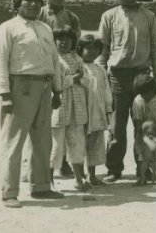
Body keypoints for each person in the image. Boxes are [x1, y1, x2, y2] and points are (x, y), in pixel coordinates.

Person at [0, 0, 64, 208]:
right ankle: (9, 192)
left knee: (42, 140)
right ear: (17, 3)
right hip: (19, 88)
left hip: (44, 87)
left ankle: (41, 186)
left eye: (37, 0)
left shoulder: (45, 28)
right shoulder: (7, 28)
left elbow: (54, 60)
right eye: (27, 0)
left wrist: (57, 89)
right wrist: (4, 93)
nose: (33, 4)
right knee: (13, 142)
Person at [98, 0, 156, 182]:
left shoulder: (149, 16)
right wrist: (101, 75)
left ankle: (144, 168)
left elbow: (155, 47)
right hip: (118, 76)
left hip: (143, 76)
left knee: (144, 124)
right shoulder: (109, 16)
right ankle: (114, 169)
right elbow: (103, 49)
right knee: (117, 125)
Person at [38, 0, 81, 178]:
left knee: (61, 119)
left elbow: (75, 47)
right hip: (41, 69)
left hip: (63, 72)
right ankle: (38, 163)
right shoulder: (38, 14)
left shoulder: (72, 18)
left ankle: (62, 162)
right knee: (40, 119)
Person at [50, 25, 89, 191]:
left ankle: (79, 178)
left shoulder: (77, 59)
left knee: (77, 143)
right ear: (54, 41)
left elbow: (86, 80)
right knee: (56, 145)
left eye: (68, 40)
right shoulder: (52, 59)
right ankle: (48, 180)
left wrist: (76, 79)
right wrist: (74, 78)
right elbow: (56, 83)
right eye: (60, 39)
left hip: (76, 106)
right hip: (59, 106)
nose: (64, 43)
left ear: (73, 41)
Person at [78, 35, 113, 185]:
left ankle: (92, 175)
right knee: (79, 144)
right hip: (81, 112)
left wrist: (108, 108)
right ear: (80, 49)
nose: (92, 51)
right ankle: (79, 176)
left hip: (97, 113)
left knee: (95, 144)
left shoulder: (100, 70)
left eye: (96, 48)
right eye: (88, 48)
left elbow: (106, 91)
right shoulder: (77, 67)